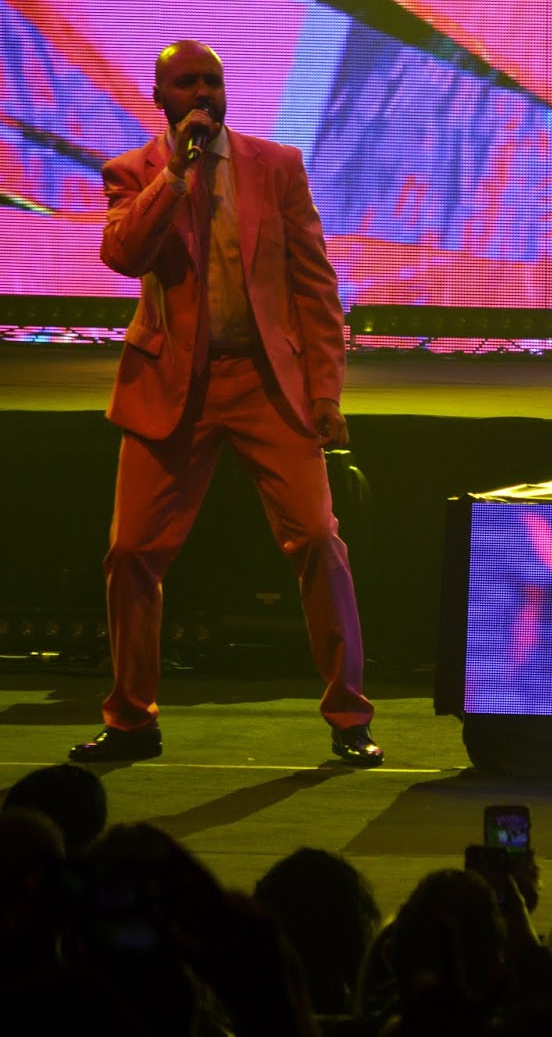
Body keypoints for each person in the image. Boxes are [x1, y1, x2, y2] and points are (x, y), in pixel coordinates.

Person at [70, 40, 381, 766]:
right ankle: (131, 720)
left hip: (267, 381)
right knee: (131, 552)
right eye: (188, 82)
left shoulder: (277, 166)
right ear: (161, 98)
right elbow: (124, 254)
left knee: (319, 538)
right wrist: (174, 176)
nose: (204, 92)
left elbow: (314, 286)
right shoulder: (133, 172)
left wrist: (326, 389)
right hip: (171, 384)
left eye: (213, 79)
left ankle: (349, 716)